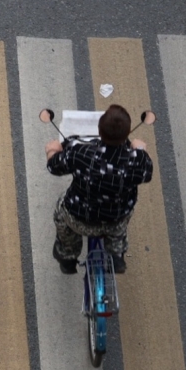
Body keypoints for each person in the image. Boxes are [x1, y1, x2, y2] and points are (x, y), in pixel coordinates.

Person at [45, 104, 154, 274]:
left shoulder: (80, 153)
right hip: (116, 220)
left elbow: (54, 167)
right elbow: (147, 174)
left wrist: (52, 150)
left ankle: (67, 256)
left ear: (99, 131)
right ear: (127, 134)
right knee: (122, 220)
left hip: (78, 220)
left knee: (61, 212)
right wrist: (140, 149)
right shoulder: (137, 161)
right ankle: (116, 253)